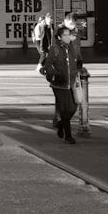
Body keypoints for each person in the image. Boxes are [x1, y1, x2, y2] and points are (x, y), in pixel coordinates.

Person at [41, 12, 84, 144]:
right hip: (59, 83)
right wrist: (55, 73)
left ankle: (61, 124)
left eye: (69, 35)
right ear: (59, 37)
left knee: (74, 107)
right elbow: (46, 66)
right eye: (65, 35)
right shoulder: (55, 48)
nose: (69, 36)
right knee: (66, 108)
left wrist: (79, 66)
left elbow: (76, 56)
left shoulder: (71, 47)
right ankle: (68, 135)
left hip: (70, 81)